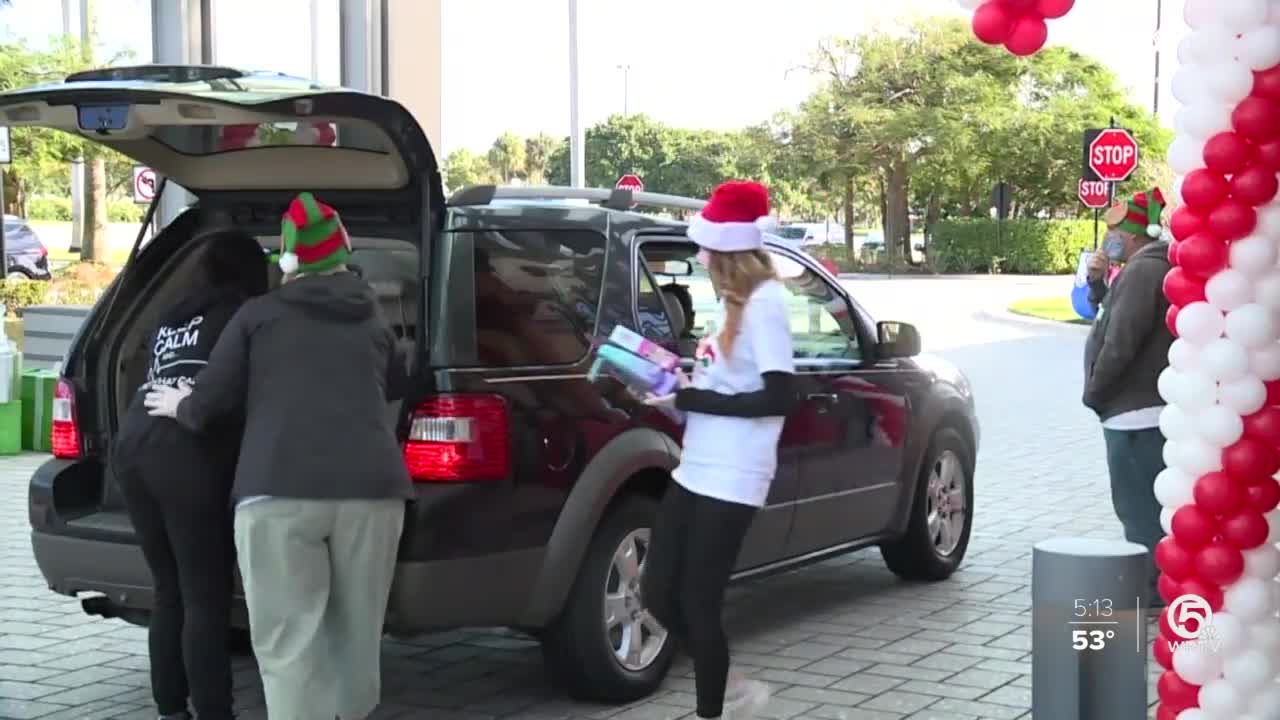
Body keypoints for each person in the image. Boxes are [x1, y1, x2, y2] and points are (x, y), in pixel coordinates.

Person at [144, 192, 412, 720]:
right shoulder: (374, 319)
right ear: (345, 251)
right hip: (373, 496)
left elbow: (208, 404)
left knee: (290, 647)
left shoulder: (257, 316)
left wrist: (180, 403)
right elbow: (399, 381)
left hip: (277, 493)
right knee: (357, 641)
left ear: (288, 261)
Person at [641, 180, 796, 719]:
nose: (701, 256)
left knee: (697, 603)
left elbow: (780, 395)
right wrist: (675, 399)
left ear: (730, 251)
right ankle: (732, 684)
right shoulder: (730, 304)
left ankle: (718, 706)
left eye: (707, 247)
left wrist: (695, 396)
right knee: (658, 591)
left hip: (734, 476)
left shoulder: (767, 302)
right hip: (695, 467)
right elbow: (722, 388)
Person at [111, 230, 268, 720]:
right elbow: (239, 397)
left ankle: (170, 706)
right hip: (186, 454)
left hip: (135, 445)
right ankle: (216, 712)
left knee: (169, 587)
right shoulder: (241, 317)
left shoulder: (172, 315)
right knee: (205, 594)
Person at [1082, 187, 1172, 607]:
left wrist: (1095, 391)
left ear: (1135, 233)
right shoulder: (1139, 270)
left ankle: (1151, 590)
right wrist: (1099, 282)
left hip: (1133, 413)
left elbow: (1121, 340)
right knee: (1142, 504)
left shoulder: (1142, 272)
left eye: (1115, 229)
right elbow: (1106, 315)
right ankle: (1153, 584)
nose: (1108, 236)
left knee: (1138, 508)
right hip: (1136, 410)